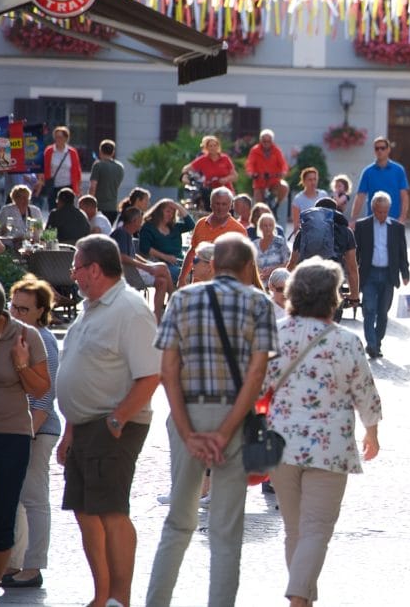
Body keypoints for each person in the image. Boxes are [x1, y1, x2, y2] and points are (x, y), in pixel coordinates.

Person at [147, 233, 278, 607]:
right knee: (226, 530)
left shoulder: (183, 299)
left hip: (187, 410)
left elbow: (167, 370)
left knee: (178, 521)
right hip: (233, 417)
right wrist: (225, 430)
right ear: (247, 266)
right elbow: (257, 376)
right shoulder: (259, 304)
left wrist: (188, 431)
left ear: (214, 262)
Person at [265, 257, 382, 607]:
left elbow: (257, 387)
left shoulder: (275, 333)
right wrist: (372, 432)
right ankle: (299, 597)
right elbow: (365, 391)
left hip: (281, 445)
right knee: (316, 530)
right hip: (329, 447)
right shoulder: (345, 341)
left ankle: (301, 601)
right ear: (333, 297)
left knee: (294, 529)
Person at [56, 235, 161, 607]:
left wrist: (117, 419)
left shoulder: (130, 310)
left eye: (77, 267)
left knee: (112, 510)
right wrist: (69, 429)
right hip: (86, 426)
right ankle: (102, 597)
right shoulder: (93, 307)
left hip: (112, 424)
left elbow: (151, 374)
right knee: (85, 510)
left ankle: (120, 598)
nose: (74, 275)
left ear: (95, 269)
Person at [0, 274, 48, 607]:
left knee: (1, 515)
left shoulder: (26, 335)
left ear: (0, 317)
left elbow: (41, 389)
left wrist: (21, 365)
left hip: (10, 436)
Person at [2, 276, 61, 591]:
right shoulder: (11, 335)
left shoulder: (43, 339)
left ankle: (34, 565)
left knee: (35, 498)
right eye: (13, 305)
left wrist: (28, 434)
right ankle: (13, 561)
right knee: (16, 499)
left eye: (24, 308)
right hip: (16, 429)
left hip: (38, 429)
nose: (16, 312)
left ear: (41, 311)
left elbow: (45, 396)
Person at [354, 192, 410, 359]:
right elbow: (356, 252)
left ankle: (377, 343)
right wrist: (352, 273)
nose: (382, 215)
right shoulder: (362, 226)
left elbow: (402, 252)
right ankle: (370, 344)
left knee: (383, 311)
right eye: (379, 211)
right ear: (373, 209)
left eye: (385, 211)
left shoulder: (397, 228)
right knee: (369, 309)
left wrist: (405, 273)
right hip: (369, 273)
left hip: (388, 274)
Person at [111, 207, 174, 322]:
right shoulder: (122, 233)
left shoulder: (125, 233)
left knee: (162, 281)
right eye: (140, 221)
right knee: (163, 267)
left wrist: (148, 264)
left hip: (132, 271)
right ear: (134, 221)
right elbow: (122, 256)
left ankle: (157, 317)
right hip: (128, 274)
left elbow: (132, 255)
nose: (141, 224)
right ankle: (174, 300)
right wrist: (146, 267)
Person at [177, 187, 247, 287]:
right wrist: (182, 277)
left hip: (223, 287)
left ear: (231, 206)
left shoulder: (238, 230)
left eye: (224, 204)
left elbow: (242, 262)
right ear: (210, 204)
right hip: (198, 285)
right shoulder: (201, 224)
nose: (220, 207)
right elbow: (192, 252)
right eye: (217, 203)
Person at [349, 137, 410, 224]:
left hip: (394, 220)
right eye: (377, 148)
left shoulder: (398, 170)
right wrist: (353, 219)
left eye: (382, 148)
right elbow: (360, 197)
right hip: (372, 220)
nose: (379, 151)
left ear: (388, 149)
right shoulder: (368, 172)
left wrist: (402, 217)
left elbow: (404, 196)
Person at [139, 199, 195, 284]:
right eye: (168, 211)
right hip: (160, 264)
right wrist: (166, 257)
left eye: (173, 212)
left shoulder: (175, 227)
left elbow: (191, 225)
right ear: (159, 212)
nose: (171, 215)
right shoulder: (148, 227)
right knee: (182, 275)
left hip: (179, 262)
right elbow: (144, 248)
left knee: (196, 272)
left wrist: (178, 206)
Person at [181, 136, 237, 210]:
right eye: (210, 146)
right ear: (206, 148)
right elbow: (186, 168)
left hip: (226, 189)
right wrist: (185, 176)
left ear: (218, 146)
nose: (213, 148)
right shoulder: (203, 159)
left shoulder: (225, 158)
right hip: (209, 191)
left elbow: (235, 175)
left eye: (215, 145)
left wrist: (225, 179)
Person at [35, 126, 81, 210]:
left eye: (60, 137)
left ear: (66, 138)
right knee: (53, 209)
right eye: (56, 137)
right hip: (53, 186)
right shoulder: (49, 151)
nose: (58, 139)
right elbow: (43, 167)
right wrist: (41, 181)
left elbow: (77, 171)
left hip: (68, 186)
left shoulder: (72, 152)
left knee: (68, 210)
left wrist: (77, 188)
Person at [245, 129, 289, 212]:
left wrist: (283, 172)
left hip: (274, 180)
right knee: (258, 205)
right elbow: (250, 163)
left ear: (272, 141)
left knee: (284, 187)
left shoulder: (276, 150)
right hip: (259, 181)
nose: (266, 143)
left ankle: (276, 205)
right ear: (260, 141)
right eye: (264, 141)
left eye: (268, 141)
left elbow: (283, 164)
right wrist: (250, 173)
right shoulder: (255, 150)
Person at [89, 139, 124, 224]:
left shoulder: (98, 165)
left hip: (98, 207)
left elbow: (93, 186)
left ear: (100, 151)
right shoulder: (120, 167)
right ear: (113, 152)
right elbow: (117, 185)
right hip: (112, 207)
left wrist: (89, 204)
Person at [254, 213, 291, 285]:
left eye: (270, 225)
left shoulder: (280, 242)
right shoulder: (254, 244)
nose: (268, 228)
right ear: (260, 227)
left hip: (277, 282)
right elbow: (251, 264)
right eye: (265, 225)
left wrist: (272, 270)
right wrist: (259, 272)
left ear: (274, 227)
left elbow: (288, 263)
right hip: (259, 282)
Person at [290, 167, 329, 232]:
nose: (313, 182)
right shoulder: (297, 199)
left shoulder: (324, 195)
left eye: (315, 179)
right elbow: (296, 225)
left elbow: (328, 218)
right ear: (304, 181)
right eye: (310, 180)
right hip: (306, 236)